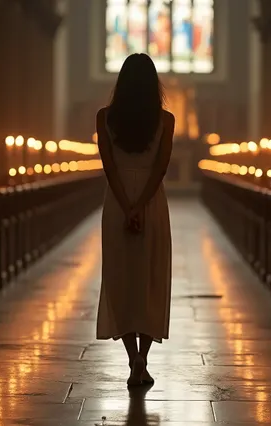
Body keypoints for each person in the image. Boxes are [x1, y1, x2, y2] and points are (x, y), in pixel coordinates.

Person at [95, 53, 174, 388]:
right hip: (151, 202)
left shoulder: (104, 117)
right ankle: (143, 357)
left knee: (121, 277)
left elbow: (110, 167)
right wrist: (141, 205)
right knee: (149, 278)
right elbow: (160, 169)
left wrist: (127, 207)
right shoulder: (166, 120)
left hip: (117, 201)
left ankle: (133, 359)